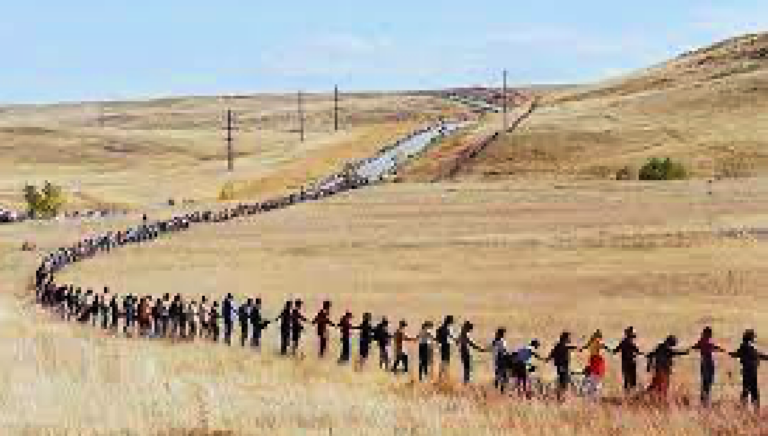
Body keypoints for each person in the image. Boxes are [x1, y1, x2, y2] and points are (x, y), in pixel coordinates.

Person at [729, 329, 768, 409]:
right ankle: (752, 408)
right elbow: (757, 355)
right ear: (750, 337)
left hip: (749, 371)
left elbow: (737, 354)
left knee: (747, 390)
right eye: (753, 337)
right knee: (752, 391)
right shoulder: (746, 346)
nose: (754, 338)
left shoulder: (746, 346)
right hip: (750, 372)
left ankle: (745, 407)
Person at [646, 335, 689, 401]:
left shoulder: (660, 347)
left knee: (654, 385)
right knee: (662, 386)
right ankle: (660, 400)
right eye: (674, 342)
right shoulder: (666, 348)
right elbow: (674, 353)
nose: (674, 344)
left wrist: (649, 365)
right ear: (670, 342)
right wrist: (685, 352)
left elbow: (650, 355)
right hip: (663, 370)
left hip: (659, 369)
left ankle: (644, 397)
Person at [692, 326, 725, 406]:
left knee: (705, 383)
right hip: (708, 363)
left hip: (704, 363)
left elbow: (695, 347)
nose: (711, 335)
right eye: (710, 333)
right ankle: (705, 400)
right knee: (708, 382)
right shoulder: (705, 341)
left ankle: (704, 400)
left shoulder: (701, 341)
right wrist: (720, 349)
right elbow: (711, 346)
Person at [547, 332, 578, 401]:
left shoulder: (559, 346)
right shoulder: (561, 346)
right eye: (569, 338)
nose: (570, 339)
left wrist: (547, 359)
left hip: (561, 367)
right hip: (563, 368)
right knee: (563, 384)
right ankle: (560, 399)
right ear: (565, 338)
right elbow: (569, 348)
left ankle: (560, 397)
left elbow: (551, 355)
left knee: (562, 383)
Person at [613, 326, 643, 394]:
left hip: (625, 363)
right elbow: (637, 351)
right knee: (632, 380)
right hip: (631, 363)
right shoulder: (631, 342)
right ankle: (631, 395)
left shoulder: (623, 342)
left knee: (627, 379)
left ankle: (627, 394)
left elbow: (615, 351)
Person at [581, 330, 609, 399]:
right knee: (597, 376)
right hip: (596, 360)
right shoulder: (598, 342)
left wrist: (581, 348)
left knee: (593, 376)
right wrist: (609, 349)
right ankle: (594, 394)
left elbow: (585, 347)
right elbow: (604, 346)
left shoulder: (590, 342)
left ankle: (591, 393)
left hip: (592, 359)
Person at [436, 315, 457, 381]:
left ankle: (442, 376)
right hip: (446, 346)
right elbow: (451, 336)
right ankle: (444, 376)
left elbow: (437, 338)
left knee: (443, 361)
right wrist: (456, 340)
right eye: (452, 321)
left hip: (442, 345)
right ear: (450, 321)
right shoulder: (446, 328)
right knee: (446, 361)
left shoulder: (440, 328)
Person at [491, 328, 509, 392]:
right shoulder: (501, 341)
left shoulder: (494, 341)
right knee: (505, 376)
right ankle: (502, 390)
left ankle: (496, 386)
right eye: (504, 333)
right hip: (502, 359)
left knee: (498, 374)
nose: (505, 335)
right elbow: (503, 351)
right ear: (502, 334)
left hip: (496, 360)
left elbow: (494, 351)